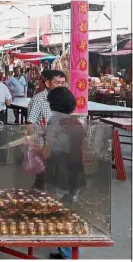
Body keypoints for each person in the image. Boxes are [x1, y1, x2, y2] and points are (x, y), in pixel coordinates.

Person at [38, 86, 86, 260]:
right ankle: (71, 249)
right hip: (77, 173)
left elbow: (47, 152)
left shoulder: (54, 121)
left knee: (59, 213)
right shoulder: (76, 122)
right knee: (70, 211)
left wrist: (33, 148)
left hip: (60, 175)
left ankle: (67, 252)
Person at [26, 70, 67, 189]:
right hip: (42, 144)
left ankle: (42, 198)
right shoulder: (39, 99)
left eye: (63, 83)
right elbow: (30, 123)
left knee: (52, 175)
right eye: (57, 82)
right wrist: (34, 146)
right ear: (48, 83)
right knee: (43, 176)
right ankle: (37, 199)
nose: (60, 86)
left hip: (57, 143)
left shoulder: (62, 98)